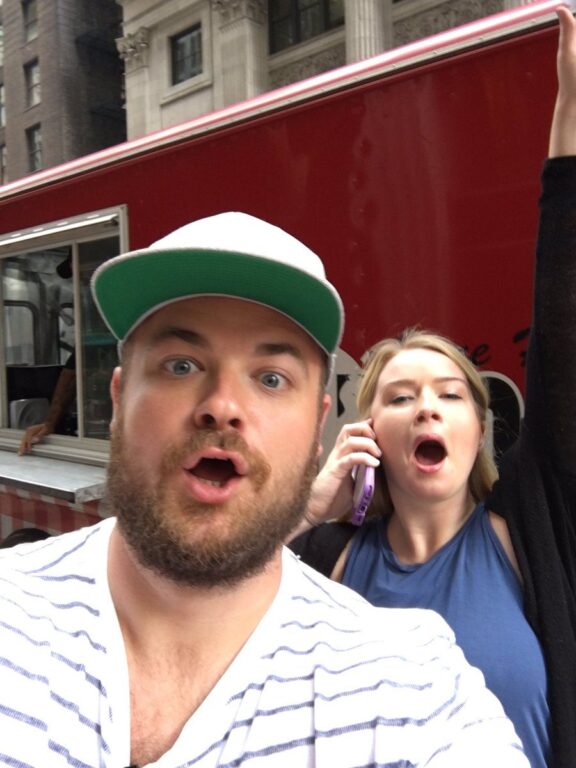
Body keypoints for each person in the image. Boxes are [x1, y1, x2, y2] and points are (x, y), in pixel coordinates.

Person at [0, 210, 528, 766]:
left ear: (317, 427)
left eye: (272, 378)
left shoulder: (411, 688)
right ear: (117, 398)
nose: (222, 407)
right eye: (181, 365)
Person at [289, 7, 576, 767]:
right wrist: (305, 508)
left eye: (451, 393)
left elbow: (563, 330)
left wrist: (568, 140)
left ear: (480, 430)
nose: (426, 405)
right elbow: (205, 602)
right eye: (399, 394)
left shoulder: (531, 529)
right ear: (368, 432)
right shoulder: (327, 558)